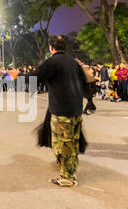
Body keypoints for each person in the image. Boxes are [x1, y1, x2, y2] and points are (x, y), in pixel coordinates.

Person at [29, 35, 86, 187]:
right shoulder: (73, 62)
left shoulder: (53, 61)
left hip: (62, 110)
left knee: (61, 144)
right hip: (76, 108)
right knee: (72, 142)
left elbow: (34, 77)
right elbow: (85, 82)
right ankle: (70, 170)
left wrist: (18, 76)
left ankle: (68, 177)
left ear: (51, 48)